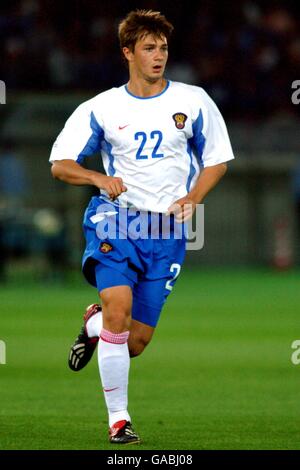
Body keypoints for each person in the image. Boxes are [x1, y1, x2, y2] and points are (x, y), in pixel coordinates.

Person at [49, 9, 234, 445]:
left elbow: (218, 161)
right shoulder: (102, 107)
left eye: (164, 48)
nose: (158, 56)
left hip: (167, 232)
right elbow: (60, 165)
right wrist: (97, 178)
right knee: (119, 308)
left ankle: (95, 326)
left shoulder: (193, 101)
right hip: (117, 220)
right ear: (127, 52)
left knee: (133, 342)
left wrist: (193, 198)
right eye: (149, 48)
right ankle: (119, 421)